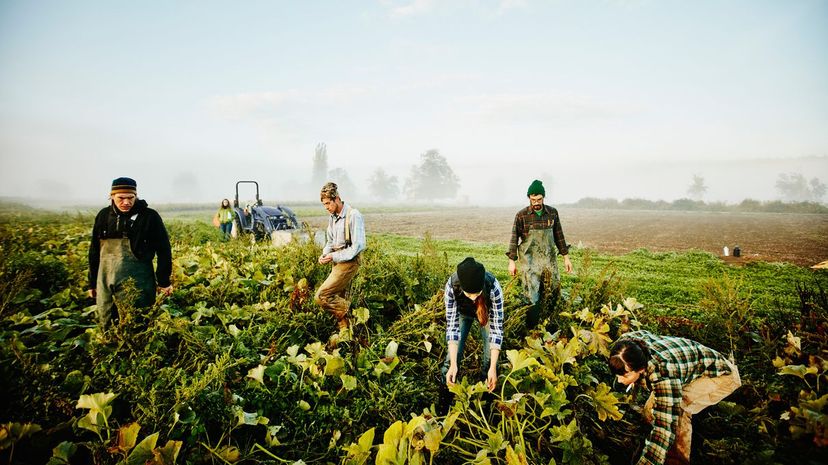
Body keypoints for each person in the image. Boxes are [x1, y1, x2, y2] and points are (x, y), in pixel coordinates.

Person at [609, 330, 741, 465]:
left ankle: (676, 460)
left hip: (721, 376)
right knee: (650, 412)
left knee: (678, 414)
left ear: (641, 369)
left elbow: (663, 429)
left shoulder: (663, 375)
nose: (619, 381)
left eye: (625, 376)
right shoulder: (625, 347)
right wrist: (624, 376)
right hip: (687, 367)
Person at [88, 177, 173, 329]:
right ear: (112, 196)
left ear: (136, 196)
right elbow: (94, 250)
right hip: (105, 280)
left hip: (139, 281)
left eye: (130, 198)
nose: (126, 202)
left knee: (138, 323)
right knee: (107, 320)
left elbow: (164, 249)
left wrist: (164, 281)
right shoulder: (103, 216)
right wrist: (92, 282)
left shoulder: (149, 217)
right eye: (121, 198)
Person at [506, 179, 573, 329]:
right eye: (533, 199)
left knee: (552, 291)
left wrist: (566, 258)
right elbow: (513, 238)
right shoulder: (522, 215)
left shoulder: (552, 213)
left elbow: (559, 236)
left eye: (539, 199)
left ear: (544, 197)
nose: (536, 202)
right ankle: (531, 329)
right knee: (532, 294)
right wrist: (512, 261)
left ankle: (550, 324)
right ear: (529, 198)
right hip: (529, 262)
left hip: (549, 260)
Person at [442, 257, 504, 393]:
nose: (473, 298)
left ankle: (485, 394)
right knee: (450, 361)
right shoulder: (452, 286)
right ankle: (446, 394)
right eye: (469, 294)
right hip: (463, 314)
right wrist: (453, 364)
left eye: (477, 293)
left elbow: (496, 330)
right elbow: (452, 327)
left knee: (490, 361)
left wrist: (493, 367)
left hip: (485, 313)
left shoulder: (493, 287)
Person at [314, 182, 366, 330]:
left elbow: (358, 246)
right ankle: (347, 333)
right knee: (339, 297)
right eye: (324, 205)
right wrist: (325, 254)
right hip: (337, 261)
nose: (326, 208)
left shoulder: (353, 215)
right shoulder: (333, 216)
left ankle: (354, 315)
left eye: (328, 203)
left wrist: (333, 256)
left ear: (337, 198)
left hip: (349, 261)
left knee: (322, 296)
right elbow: (330, 241)